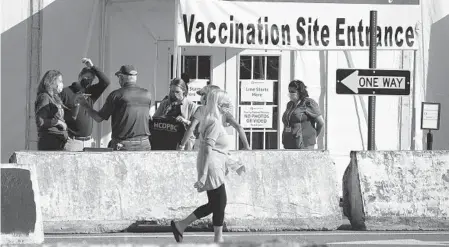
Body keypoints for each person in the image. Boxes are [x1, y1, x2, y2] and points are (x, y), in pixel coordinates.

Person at [171, 89, 235, 243]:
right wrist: (204, 174)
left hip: (214, 165)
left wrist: (232, 163)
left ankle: (182, 225)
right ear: (218, 105)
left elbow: (217, 149)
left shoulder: (213, 120)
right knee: (219, 202)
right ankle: (217, 238)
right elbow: (207, 149)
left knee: (216, 203)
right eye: (226, 104)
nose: (229, 106)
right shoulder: (213, 122)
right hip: (211, 166)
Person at [76, 65, 152, 151]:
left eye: (119, 77)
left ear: (122, 77)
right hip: (144, 144)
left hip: (124, 145)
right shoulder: (147, 95)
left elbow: (98, 118)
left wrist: (85, 104)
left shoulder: (116, 95)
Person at [177, 85, 251, 151]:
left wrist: (182, 146)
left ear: (209, 96)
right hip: (220, 146)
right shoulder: (224, 112)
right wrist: (246, 146)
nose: (201, 97)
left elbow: (191, 128)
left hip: (202, 145)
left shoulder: (201, 110)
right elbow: (239, 127)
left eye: (203, 94)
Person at [60, 58, 111, 151]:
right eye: (86, 78)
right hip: (73, 141)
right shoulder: (66, 92)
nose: (88, 81)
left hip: (88, 141)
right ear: (80, 76)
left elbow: (106, 82)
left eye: (91, 80)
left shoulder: (91, 92)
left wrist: (92, 66)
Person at [153, 78, 197, 150]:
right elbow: (155, 119)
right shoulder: (165, 103)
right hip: (167, 138)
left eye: (177, 92)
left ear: (183, 91)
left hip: (184, 141)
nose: (174, 94)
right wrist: (164, 116)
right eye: (172, 91)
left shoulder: (191, 105)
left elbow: (196, 127)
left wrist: (184, 121)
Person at [281, 80, 324, 149]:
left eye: (293, 92)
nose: (290, 93)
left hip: (304, 142)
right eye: (289, 91)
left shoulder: (308, 103)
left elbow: (320, 122)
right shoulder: (290, 104)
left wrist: (313, 135)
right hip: (289, 141)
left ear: (300, 92)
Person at [34, 70, 68, 150]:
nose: (61, 84)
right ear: (52, 81)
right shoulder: (44, 97)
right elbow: (40, 121)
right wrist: (58, 122)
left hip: (59, 140)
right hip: (50, 141)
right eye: (59, 81)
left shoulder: (54, 97)